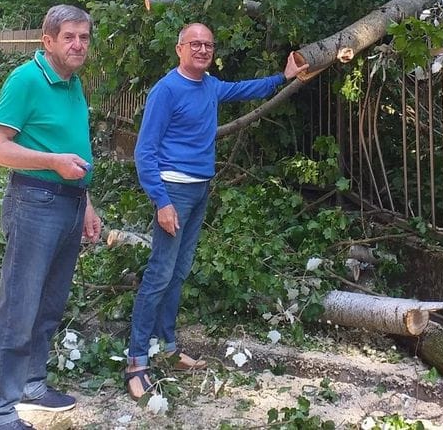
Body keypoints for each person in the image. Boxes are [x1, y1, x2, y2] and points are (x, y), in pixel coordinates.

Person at [125, 22, 307, 399]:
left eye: (208, 45)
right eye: (195, 44)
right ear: (179, 49)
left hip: (200, 189)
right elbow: (144, 152)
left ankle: (168, 348)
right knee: (159, 274)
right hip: (173, 191)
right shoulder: (166, 90)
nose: (202, 50)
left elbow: (243, 90)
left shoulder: (210, 86)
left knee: (178, 271)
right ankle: (137, 361)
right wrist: (161, 201)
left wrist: (283, 76)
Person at [0, 5, 103, 430]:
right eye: (69, 36)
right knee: (18, 309)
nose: (78, 44)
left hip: (69, 203)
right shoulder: (26, 79)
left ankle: (32, 384)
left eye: (84, 37)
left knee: (49, 305)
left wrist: (86, 202)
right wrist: (51, 162)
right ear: (47, 40)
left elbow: (75, 149)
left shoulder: (73, 83)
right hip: (34, 203)